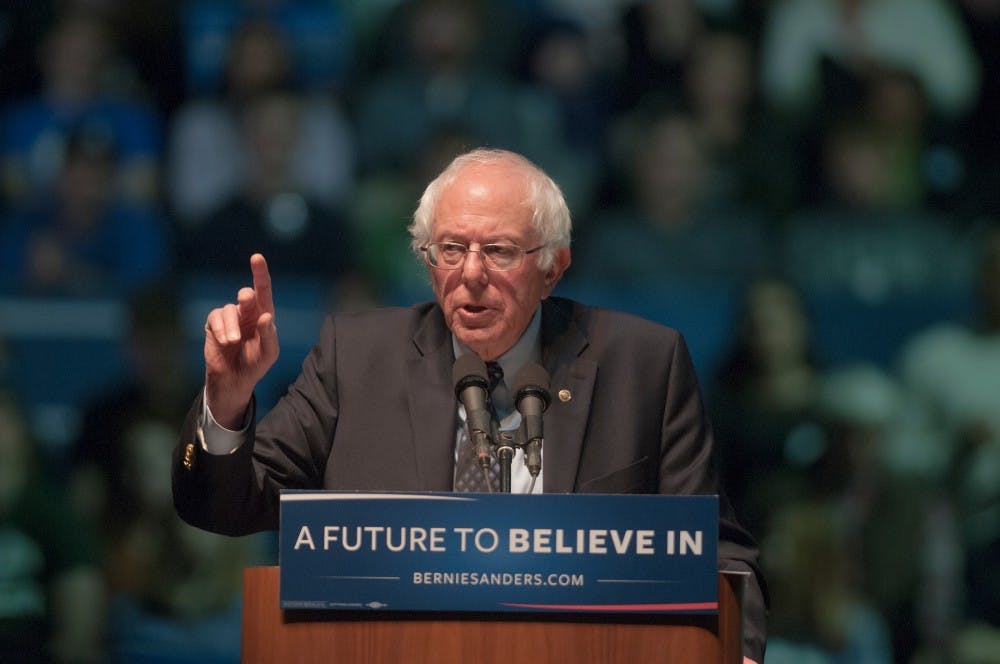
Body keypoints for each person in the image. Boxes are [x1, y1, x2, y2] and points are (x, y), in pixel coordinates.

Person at [171, 148, 767, 663]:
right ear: (427, 262)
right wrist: (227, 401)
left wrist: (737, 649)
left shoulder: (643, 365)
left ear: (552, 266)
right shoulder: (355, 359)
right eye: (451, 249)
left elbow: (717, 551)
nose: (472, 274)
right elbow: (226, 504)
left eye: (500, 251)